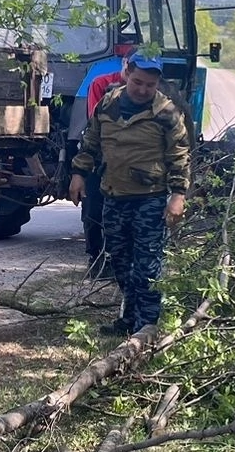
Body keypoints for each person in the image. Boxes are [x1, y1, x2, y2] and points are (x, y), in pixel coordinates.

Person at [67, 52, 191, 334]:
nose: (143, 89)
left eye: (150, 84)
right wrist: (78, 174)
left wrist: (178, 196)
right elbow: (91, 142)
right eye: (137, 82)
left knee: (146, 268)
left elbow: (180, 157)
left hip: (150, 198)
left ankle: (145, 328)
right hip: (114, 195)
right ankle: (128, 320)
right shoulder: (108, 104)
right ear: (127, 74)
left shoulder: (167, 114)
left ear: (157, 82)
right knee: (121, 264)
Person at [76, 42, 137, 277]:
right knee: (93, 209)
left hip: (133, 159)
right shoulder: (101, 84)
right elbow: (96, 123)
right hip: (100, 154)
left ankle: (121, 261)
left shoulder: (153, 92)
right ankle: (96, 258)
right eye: (132, 69)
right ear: (125, 64)